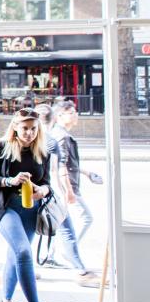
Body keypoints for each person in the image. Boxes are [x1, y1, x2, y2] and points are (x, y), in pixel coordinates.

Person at [0, 107, 52, 302]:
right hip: (6, 208)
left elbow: (48, 183)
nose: (29, 133)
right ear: (14, 127)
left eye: (33, 129)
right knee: (23, 251)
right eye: (25, 128)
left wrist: (43, 190)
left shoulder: (43, 151)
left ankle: (6, 298)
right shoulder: (0, 147)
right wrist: (10, 181)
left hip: (32, 210)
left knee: (15, 252)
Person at [34, 105, 100, 287]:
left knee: (33, 232)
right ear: (55, 117)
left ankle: (32, 266)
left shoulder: (35, 140)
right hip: (50, 194)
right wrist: (67, 192)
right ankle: (79, 270)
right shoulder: (52, 140)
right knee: (67, 230)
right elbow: (60, 169)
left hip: (37, 193)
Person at [51, 101, 100, 244]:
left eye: (75, 112)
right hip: (65, 185)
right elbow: (62, 164)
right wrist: (69, 191)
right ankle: (69, 249)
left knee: (59, 219)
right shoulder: (62, 136)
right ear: (60, 115)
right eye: (71, 113)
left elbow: (67, 163)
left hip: (61, 185)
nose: (75, 115)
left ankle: (52, 253)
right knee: (85, 218)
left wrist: (86, 173)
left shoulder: (59, 133)